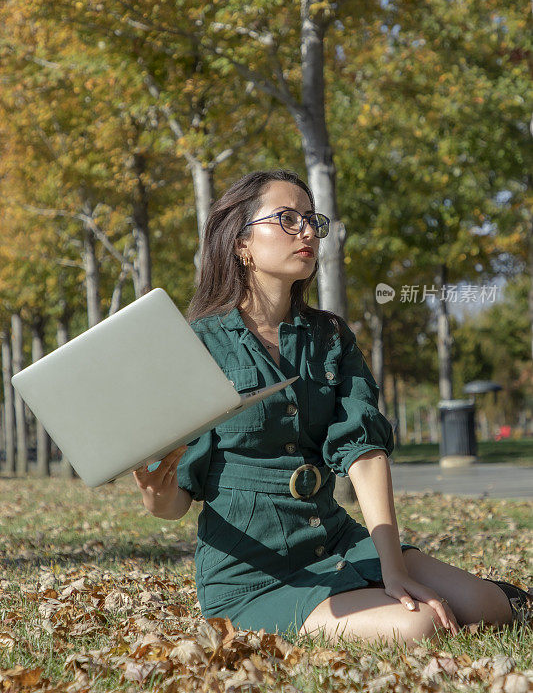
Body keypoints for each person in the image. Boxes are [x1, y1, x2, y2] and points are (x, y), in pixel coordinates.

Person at [134, 169, 530, 647]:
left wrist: (392, 567)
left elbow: (363, 451)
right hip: (253, 575)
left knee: (489, 608)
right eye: (286, 218)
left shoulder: (331, 336)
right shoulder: (197, 345)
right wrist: (156, 492)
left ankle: (459, 594)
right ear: (241, 243)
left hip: (338, 540)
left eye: (310, 220)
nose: (306, 231)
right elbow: (175, 504)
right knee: (419, 626)